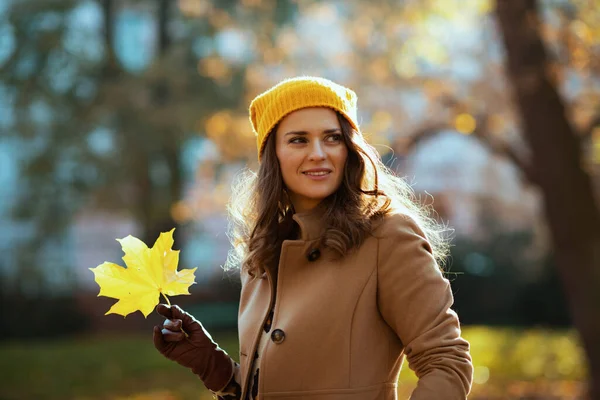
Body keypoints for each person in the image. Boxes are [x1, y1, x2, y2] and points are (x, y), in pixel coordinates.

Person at [153, 76, 473, 399]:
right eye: (299, 140)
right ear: (273, 155)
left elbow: (447, 363)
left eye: (332, 138)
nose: (318, 153)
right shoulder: (262, 254)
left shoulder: (387, 236)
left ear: (349, 149)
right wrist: (213, 367)